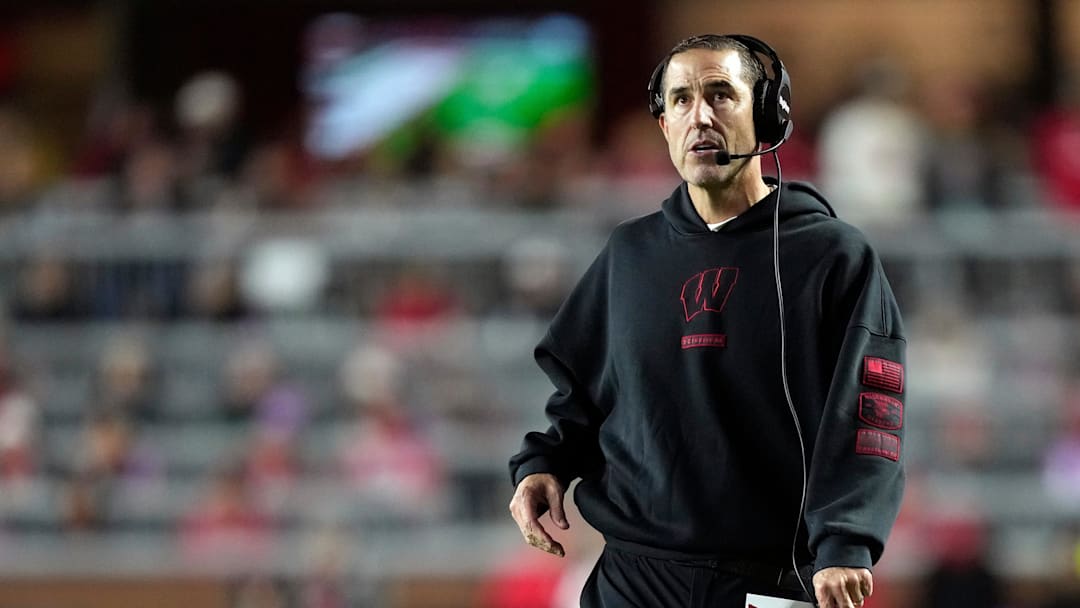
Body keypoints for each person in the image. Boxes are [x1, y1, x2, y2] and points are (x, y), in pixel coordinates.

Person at [508, 34, 907, 608]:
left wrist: (845, 543)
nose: (701, 116)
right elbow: (582, 400)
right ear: (665, 124)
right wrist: (544, 463)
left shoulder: (834, 257)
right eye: (681, 100)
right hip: (632, 580)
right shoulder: (629, 254)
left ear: (766, 114)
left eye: (721, 95)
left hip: (771, 579)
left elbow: (871, 418)